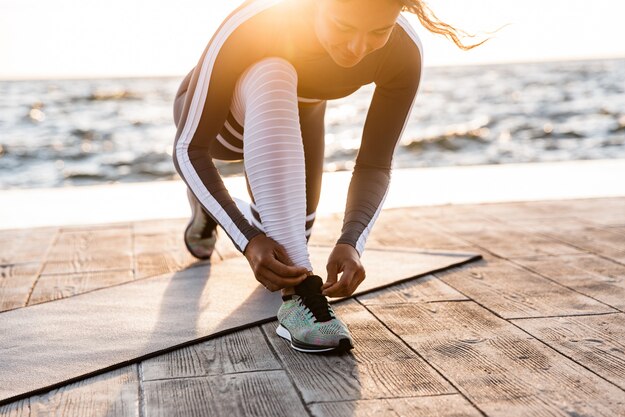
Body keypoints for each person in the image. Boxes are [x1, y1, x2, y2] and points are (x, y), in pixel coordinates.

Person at [172, 0, 487, 354]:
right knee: (273, 70)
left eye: (378, 32)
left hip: (299, 116)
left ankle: (209, 203)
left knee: (286, 249)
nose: (358, 47)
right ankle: (298, 302)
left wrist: (352, 241)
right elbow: (188, 148)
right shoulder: (259, 21)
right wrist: (246, 240)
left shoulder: (403, 50)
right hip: (218, 125)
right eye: (343, 27)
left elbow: (374, 164)